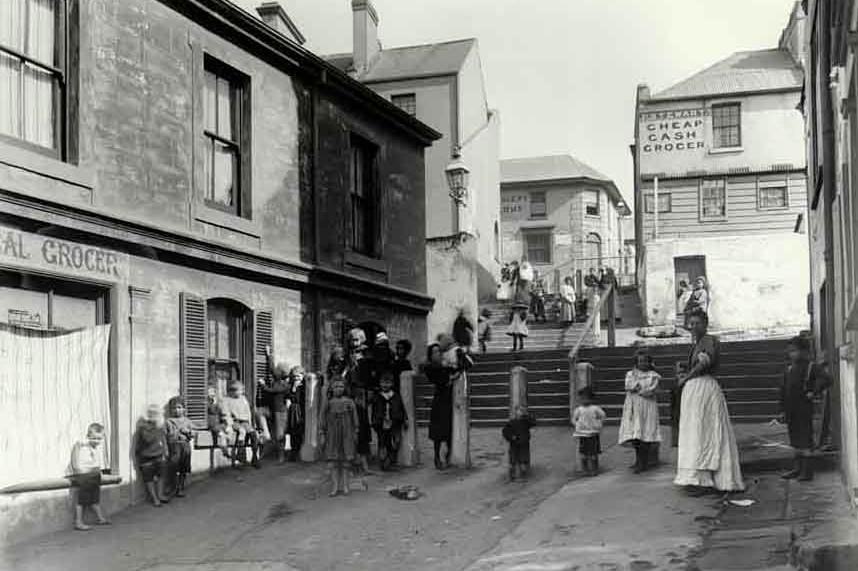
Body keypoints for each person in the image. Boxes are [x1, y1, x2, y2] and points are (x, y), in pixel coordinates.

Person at [674, 308, 744, 494]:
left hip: (704, 388)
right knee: (695, 431)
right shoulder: (696, 343)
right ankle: (695, 476)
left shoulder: (709, 340)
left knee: (705, 431)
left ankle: (706, 479)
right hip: (695, 391)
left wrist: (686, 377)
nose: (694, 326)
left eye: (698, 323)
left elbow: (704, 363)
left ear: (705, 324)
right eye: (692, 323)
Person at [780, 336, 830, 481]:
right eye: (790, 351)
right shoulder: (789, 369)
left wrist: (813, 391)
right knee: (795, 439)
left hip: (803, 408)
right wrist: (782, 409)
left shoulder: (811, 366)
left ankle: (807, 471)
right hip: (791, 409)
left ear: (804, 351)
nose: (792, 354)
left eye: (795, 351)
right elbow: (783, 390)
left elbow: (826, 379)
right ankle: (797, 468)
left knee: (805, 439)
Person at [618, 349, 662, 473]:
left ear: (649, 362)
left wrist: (638, 388)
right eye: (640, 361)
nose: (643, 363)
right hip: (633, 406)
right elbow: (629, 386)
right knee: (635, 434)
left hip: (647, 407)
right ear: (636, 362)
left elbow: (650, 390)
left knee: (645, 433)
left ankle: (644, 462)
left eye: (645, 361)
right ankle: (638, 459)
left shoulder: (653, 375)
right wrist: (636, 387)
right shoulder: (630, 374)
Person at [320, 379, 359, 497]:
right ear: (332, 388)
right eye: (336, 386)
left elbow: (355, 418)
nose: (339, 389)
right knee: (334, 462)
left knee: (346, 462)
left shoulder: (350, 402)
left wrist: (356, 431)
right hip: (332, 435)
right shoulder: (328, 402)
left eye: (341, 386)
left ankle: (346, 486)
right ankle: (335, 486)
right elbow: (322, 418)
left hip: (347, 434)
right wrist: (322, 432)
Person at [69, 423, 110, 530]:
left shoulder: (95, 447)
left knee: (95, 499)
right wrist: (77, 468)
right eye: (94, 438)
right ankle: (78, 522)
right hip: (85, 476)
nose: (97, 441)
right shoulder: (82, 444)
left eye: (99, 439)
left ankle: (100, 518)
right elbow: (76, 449)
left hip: (94, 475)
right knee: (82, 500)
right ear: (88, 436)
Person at [424, 343, 455, 470]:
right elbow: (442, 381)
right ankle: (437, 457)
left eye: (439, 351)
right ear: (430, 355)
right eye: (435, 352)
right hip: (440, 400)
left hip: (450, 398)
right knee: (438, 431)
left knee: (449, 429)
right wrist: (449, 375)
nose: (438, 354)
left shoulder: (446, 364)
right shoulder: (430, 368)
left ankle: (448, 455)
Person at [257, 350, 291, 462]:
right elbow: (271, 369)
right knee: (260, 412)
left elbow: (271, 391)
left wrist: (262, 385)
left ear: (281, 374)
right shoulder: (278, 380)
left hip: (281, 412)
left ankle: (281, 456)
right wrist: (269, 355)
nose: (275, 371)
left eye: (278, 370)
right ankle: (266, 434)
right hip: (273, 410)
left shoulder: (284, 385)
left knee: (280, 435)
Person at [371, 370, 408, 471]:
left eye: (387, 383)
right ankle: (383, 463)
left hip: (394, 423)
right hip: (381, 424)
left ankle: (391, 461)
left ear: (392, 383)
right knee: (382, 443)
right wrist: (374, 422)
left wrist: (405, 419)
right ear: (380, 383)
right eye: (383, 382)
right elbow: (374, 411)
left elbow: (401, 408)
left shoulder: (396, 396)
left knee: (395, 442)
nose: (385, 385)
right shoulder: (377, 397)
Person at [135, 404, 169, 506]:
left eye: (156, 413)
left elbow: (163, 438)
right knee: (148, 479)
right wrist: (154, 428)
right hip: (146, 456)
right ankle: (155, 499)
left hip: (159, 455)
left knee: (161, 476)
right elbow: (147, 440)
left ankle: (160, 495)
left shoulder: (160, 426)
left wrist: (165, 450)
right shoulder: (144, 428)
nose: (154, 415)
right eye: (151, 413)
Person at [221, 381, 260, 468]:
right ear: (233, 391)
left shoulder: (243, 398)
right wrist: (230, 424)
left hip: (245, 422)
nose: (241, 392)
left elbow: (248, 411)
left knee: (254, 435)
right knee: (242, 432)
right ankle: (240, 456)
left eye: (242, 390)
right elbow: (225, 414)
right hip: (235, 422)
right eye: (240, 390)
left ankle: (255, 457)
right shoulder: (226, 400)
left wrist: (249, 423)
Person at [572, 387, 606, 477]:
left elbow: (602, 416)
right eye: (581, 398)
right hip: (582, 434)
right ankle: (585, 469)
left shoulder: (595, 408)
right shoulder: (578, 410)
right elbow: (574, 419)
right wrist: (577, 424)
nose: (583, 400)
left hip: (593, 433)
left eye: (586, 398)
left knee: (593, 452)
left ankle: (594, 468)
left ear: (591, 399)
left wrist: (599, 423)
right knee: (583, 453)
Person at [165, 397, 194, 498]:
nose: (177, 410)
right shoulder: (169, 421)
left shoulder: (187, 421)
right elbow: (167, 435)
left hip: (185, 445)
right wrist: (179, 431)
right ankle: (172, 487)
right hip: (174, 445)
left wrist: (189, 432)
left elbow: (193, 433)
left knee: (184, 467)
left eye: (179, 407)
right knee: (173, 465)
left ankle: (181, 488)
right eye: (174, 408)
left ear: (184, 409)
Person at [502, 405, 536, 481]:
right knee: (512, 460)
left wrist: (527, 415)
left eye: (522, 410)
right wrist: (511, 437)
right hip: (514, 444)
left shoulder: (526, 421)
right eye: (519, 410)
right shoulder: (512, 422)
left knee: (523, 460)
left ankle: (523, 476)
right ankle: (511, 476)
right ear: (516, 412)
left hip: (524, 444)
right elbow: (505, 431)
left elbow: (534, 422)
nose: (520, 412)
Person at [285, 366, 307, 462]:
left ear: (303, 376)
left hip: (300, 409)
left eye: (298, 376)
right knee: (292, 432)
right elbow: (288, 397)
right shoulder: (290, 386)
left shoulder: (305, 386)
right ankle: (293, 453)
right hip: (293, 410)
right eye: (295, 377)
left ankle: (299, 452)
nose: (296, 378)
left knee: (300, 431)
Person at [206, 387, 228, 456]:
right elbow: (212, 411)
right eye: (210, 393)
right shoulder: (206, 403)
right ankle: (224, 450)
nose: (211, 395)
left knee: (225, 432)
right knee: (221, 434)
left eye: (213, 393)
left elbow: (222, 412)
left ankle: (225, 449)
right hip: (211, 423)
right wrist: (215, 403)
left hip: (217, 423)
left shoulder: (217, 403)